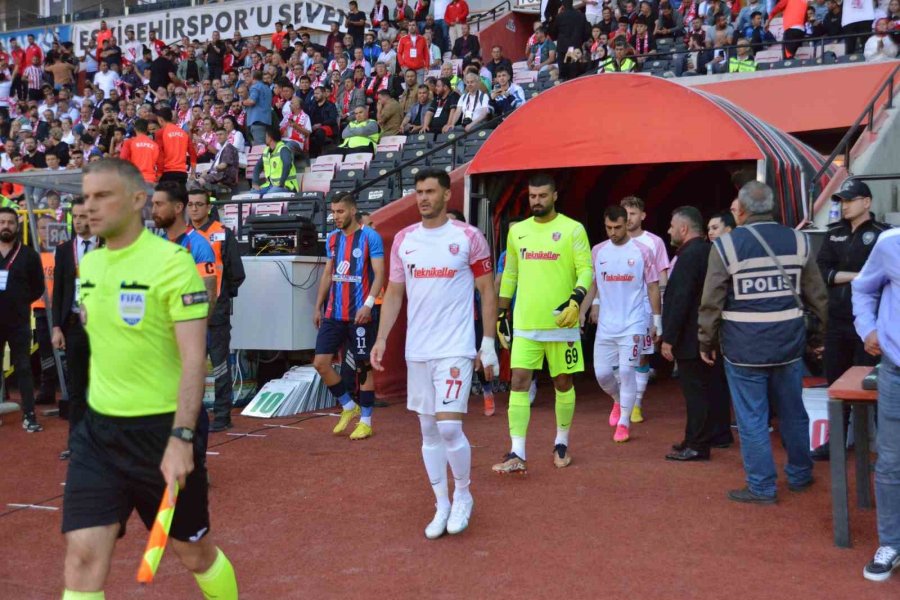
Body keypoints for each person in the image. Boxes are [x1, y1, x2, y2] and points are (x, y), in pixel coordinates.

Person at [62, 159, 238, 599]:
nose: (91, 206)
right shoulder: (93, 266)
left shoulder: (173, 264)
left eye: (103, 195)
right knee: (82, 556)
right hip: (100, 435)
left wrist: (182, 437)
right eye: (86, 197)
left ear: (138, 200)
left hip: (163, 433)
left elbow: (194, 359)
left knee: (193, 552)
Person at [372, 168, 497, 538]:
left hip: (455, 347)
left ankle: (463, 494)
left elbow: (487, 290)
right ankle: (441, 503)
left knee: (449, 425)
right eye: (418, 192)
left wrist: (487, 342)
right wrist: (382, 338)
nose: (423, 198)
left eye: (430, 191)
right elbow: (394, 292)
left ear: (447, 196)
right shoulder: (404, 241)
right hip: (418, 350)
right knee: (427, 429)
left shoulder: (469, 237)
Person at [698, 181, 828, 504]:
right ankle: (800, 474)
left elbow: (712, 301)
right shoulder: (799, 241)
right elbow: (818, 297)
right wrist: (816, 337)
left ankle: (761, 486)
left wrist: (706, 340)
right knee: (793, 412)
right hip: (788, 345)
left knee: (752, 419)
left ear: (740, 211)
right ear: (773, 208)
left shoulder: (726, 246)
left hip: (743, 349)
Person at [493, 173, 593, 473]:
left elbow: (586, 269)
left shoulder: (573, 229)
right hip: (525, 324)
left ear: (554, 196)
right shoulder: (518, 232)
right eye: (532, 196)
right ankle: (516, 452)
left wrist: (576, 299)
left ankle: (561, 442)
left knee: (563, 383)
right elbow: (510, 273)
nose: (536, 201)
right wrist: (501, 314)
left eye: (542, 196)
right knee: (519, 381)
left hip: (562, 324)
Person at [812, 179, 890, 461]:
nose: (844, 205)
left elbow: (885, 275)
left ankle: (886, 446)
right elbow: (821, 272)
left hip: (871, 325)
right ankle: (836, 442)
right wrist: (860, 277)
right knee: (835, 381)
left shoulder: (884, 234)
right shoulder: (833, 233)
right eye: (842, 201)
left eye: (850, 200)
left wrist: (845, 277)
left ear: (866, 202)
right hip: (837, 321)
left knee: (875, 384)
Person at [661, 206, 733, 460]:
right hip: (706, 333)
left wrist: (668, 337)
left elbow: (681, 299)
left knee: (696, 392)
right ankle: (713, 435)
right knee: (711, 387)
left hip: (691, 336)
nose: (669, 230)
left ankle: (697, 444)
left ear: (683, 228)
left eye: (671, 225)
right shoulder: (706, 251)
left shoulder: (689, 256)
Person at [584, 205, 660, 443]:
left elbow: (653, 286)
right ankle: (617, 400)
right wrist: (581, 311)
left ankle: (625, 421)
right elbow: (593, 284)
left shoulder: (643, 251)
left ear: (626, 224)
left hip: (634, 324)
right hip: (607, 325)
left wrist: (656, 320)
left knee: (627, 371)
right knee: (603, 374)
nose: (613, 232)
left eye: (617, 227)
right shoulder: (598, 251)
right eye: (608, 228)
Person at [312, 193, 385, 441]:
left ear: (353, 211)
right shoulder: (332, 239)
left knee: (363, 366)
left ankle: (366, 421)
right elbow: (327, 274)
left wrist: (368, 305)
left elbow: (379, 273)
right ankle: (347, 405)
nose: (336, 217)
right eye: (333, 212)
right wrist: (317, 306)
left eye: (340, 211)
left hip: (360, 315)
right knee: (321, 363)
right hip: (334, 313)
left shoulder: (370, 237)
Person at [852, 225, 900, 581]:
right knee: (890, 462)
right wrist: (867, 328)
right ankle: (892, 542)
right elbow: (863, 288)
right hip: (896, 371)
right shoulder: (890, 243)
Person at [186, 189, 245, 432]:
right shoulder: (181, 236)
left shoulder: (223, 233)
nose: (195, 209)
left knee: (220, 365)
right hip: (188, 313)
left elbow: (237, 274)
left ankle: (222, 416)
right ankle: (192, 416)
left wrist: (221, 299)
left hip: (216, 313)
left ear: (208, 207)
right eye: (191, 204)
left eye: (199, 204)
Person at [52, 198, 98, 458]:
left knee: (104, 385)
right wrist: (57, 327)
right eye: (75, 217)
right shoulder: (64, 250)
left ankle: (104, 442)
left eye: (84, 216)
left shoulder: (106, 247)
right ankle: (76, 442)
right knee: (77, 386)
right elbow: (58, 292)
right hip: (74, 326)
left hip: (102, 327)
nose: (79, 222)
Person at [621, 195, 669, 422]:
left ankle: (637, 403)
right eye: (625, 213)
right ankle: (622, 402)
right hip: (617, 309)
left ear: (643, 216)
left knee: (641, 357)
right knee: (618, 358)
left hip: (643, 309)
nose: (628, 218)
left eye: (632, 213)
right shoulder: (612, 241)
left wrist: (659, 312)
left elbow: (662, 277)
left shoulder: (654, 242)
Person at [0, 206, 45, 432]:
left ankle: (29, 415)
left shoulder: (28, 255)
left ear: (17, 226)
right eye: (2, 222)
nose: (6, 226)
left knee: (24, 368)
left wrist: (20, 301)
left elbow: (38, 286)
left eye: (10, 222)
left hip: (19, 322)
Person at [155, 106, 197, 185]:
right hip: (182, 173)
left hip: (167, 173)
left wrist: (159, 175)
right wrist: (193, 173)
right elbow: (193, 153)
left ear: (160, 119)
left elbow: (160, 155)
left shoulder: (160, 133)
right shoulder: (183, 132)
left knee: (167, 197)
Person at [252, 125, 299, 194]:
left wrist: (281, 183)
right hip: (271, 186)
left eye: (266, 136)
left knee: (270, 194)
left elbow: (287, 164)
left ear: (270, 137)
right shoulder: (266, 151)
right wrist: (255, 182)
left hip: (287, 185)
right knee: (253, 193)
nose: (265, 138)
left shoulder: (283, 149)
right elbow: (257, 167)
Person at [119, 118, 159, 185]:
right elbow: (157, 163)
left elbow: (122, 159)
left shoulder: (129, 142)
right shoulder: (154, 144)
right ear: (147, 129)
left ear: (135, 129)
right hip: (150, 180)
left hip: (134, 178)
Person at [243, 70, 273, 145]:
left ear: (252, 77)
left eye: (249, 76)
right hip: (267, 120)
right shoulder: (267, 88)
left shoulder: (255, 87)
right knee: (266, 144)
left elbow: (252, 101)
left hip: (257, 121)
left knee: (260, 146)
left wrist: (242, 102)